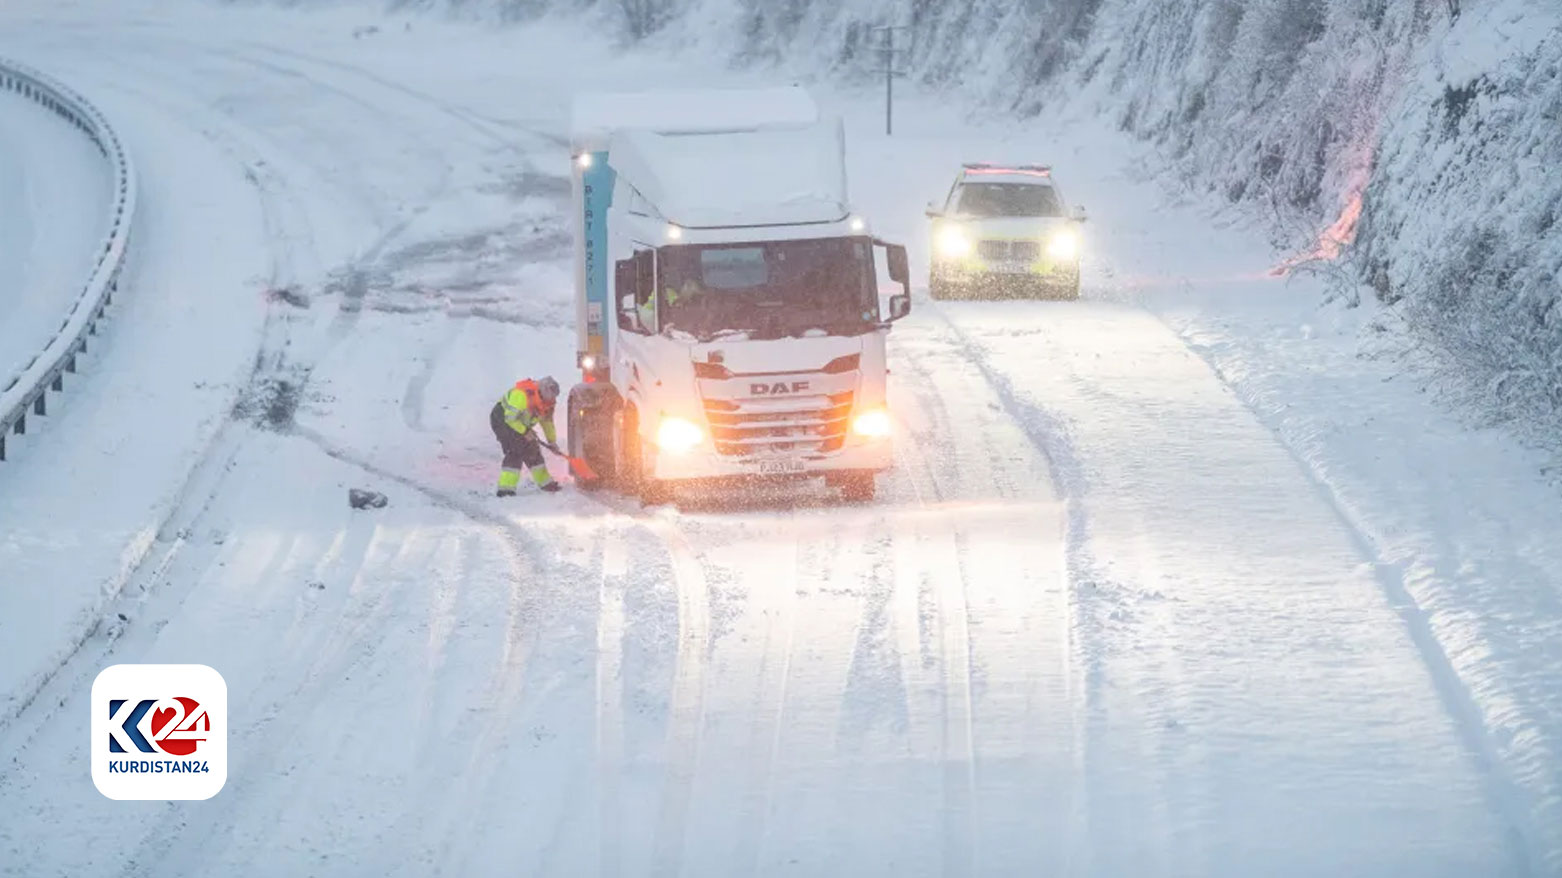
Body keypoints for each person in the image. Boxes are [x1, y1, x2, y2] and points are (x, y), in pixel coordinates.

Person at [490, 376, 562, 497]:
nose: (552, 401)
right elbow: (510, 419)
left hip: (520, 423)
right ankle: (505, 489)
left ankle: (545, 483)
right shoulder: (521, 396)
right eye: (550, 398)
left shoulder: (548, 403)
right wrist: (525, 432)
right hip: (502, 419)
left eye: (554, 398)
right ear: (541, 393)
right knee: (515, 449)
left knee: (532, 448)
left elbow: (547, 423)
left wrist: (552, 442)